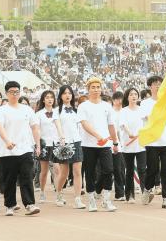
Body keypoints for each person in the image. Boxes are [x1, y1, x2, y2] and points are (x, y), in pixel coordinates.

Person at [0, 80, 41, 216]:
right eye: (12, 92)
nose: (15, 94)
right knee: (9, 179)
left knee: (27, 177)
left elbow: (35, 127)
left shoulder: (27, 109)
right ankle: (10, 205)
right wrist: (7, 141)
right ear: (6, 93)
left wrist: (37, 145)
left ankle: (29, 204)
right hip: (8, 151)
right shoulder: (2, 110)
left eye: (17, 92)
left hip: (25, 148)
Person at [77, 77, 118, 212]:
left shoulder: (106, 106)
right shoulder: (83, 106)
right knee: (90, 172)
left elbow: (111, 125)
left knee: (108, 170)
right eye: (93, 87)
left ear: (101, 89)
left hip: (105, 145)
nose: (96, 89)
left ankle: (106, 200)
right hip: (88, 145)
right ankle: (91, 200)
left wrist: (115, 142)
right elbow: (85, 124)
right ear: (88, 89)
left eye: (98, 87)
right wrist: (98, 136)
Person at [140, 75, 166, 209]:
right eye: (155, 84)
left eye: (160, 84)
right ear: (150, 87)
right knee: (152, 169)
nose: (158, 86)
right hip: (152, 142)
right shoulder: (145, 104)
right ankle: (147, 189)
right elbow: (149, 118)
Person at [53, 85, 85, 209]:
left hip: (76, 142)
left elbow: (82, 126)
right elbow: (58, 125)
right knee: (64, 173)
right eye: (65, 93)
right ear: (60, 95)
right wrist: (62, 137)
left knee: (77, 171)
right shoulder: (57, 110)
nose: (67, 95)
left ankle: (77, 199)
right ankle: (59, 193)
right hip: (63, 143)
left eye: (70, 93)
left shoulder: (77, 110)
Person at [118, 88, 147, 202]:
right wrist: (129, 133)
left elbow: (147, 122)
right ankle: (130, 195)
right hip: (128, 145)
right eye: (131, 94)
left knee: (142, 169)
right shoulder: (123, 111)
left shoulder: (142, 110)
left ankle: (145, 193)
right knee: (129, 171)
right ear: (127, 97)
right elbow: (123, 124)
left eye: (135, 94)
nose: (134, 96)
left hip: (141, 145)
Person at [34, 90, 60, 204]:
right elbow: (37, 130)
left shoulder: (58, 112)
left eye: (51, 97)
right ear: (43, 100)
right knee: (44, 171)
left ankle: (59, 194)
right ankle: (42, 192)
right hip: (44, 144)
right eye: (47, 97)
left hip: (56, 144)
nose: (50, 99)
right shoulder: (38, 114)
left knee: (57, 170)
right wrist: (38, 146)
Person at [108, 91, 128, 201]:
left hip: (124, 144)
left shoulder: (125, 112)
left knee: (120, 169)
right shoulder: (110, 112)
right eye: (116, 99)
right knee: (109, 169)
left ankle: (120, 192)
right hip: (112, 143)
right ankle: (98, 188)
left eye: (121, 99)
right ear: (113, 100)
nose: (119, 101)